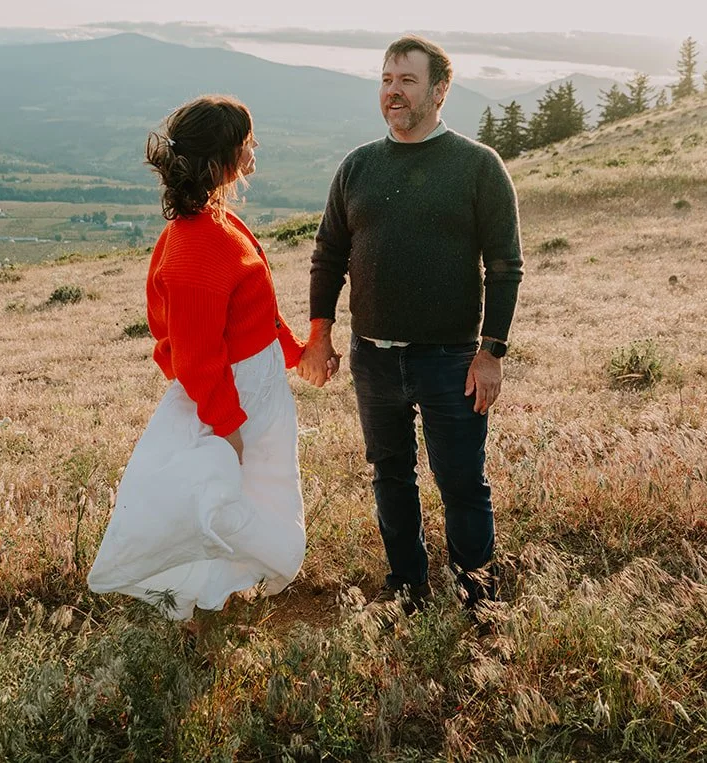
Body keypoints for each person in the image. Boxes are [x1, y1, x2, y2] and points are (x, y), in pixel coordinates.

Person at [300, 35, 523, 613]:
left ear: (440, 90)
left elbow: (504, 267)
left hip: (451, 359)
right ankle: (407, 591)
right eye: (386, 80)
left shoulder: (478, 166)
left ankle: (480, 602)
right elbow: (328, 256)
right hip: (373, 354)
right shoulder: (359, 166)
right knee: (390, 476)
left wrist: (491, 352)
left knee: (461, 483)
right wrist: (319, 335)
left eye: (407, 81)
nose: (392, 92)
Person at [88, 95, 313, 620]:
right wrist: (228, 427)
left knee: (258, 491)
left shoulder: (220, 221)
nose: (254, 150)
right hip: (230, 401)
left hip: (255, 390)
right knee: (218, 499)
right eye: (245, 143)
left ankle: (229, 585)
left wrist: (296, 354)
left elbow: (257, 315)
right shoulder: (194, 249)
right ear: (219, 163)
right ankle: (201, 593)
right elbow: (195, 358)